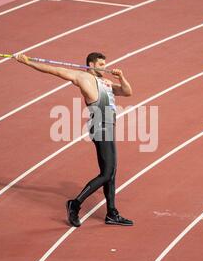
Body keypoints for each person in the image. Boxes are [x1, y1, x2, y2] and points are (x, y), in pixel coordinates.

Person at [14, 52, 133, 227]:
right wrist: (28, 62)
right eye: (101, 64)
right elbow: (54, 70)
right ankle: (75, 204)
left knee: (111, 173)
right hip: (100, 127)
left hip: (108, 127)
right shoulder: (82, 77)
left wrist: (121, 77)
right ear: (91, 65)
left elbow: (127, 92)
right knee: (107, 173)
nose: (105, 67)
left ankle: (111, 213)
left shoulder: (105, 83)